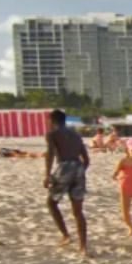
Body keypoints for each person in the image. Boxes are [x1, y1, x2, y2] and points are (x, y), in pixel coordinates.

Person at [43, 108, 91, 255]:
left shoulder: (52, 134)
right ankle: (83, 246)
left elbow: (50, 154)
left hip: (64, 167)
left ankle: (66, 235)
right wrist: (80, 171)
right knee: (78, 211)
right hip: (78, 167)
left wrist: (47, 174)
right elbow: (87, 159)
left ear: (52, 121)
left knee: (51, 203)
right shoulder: (76, 134)